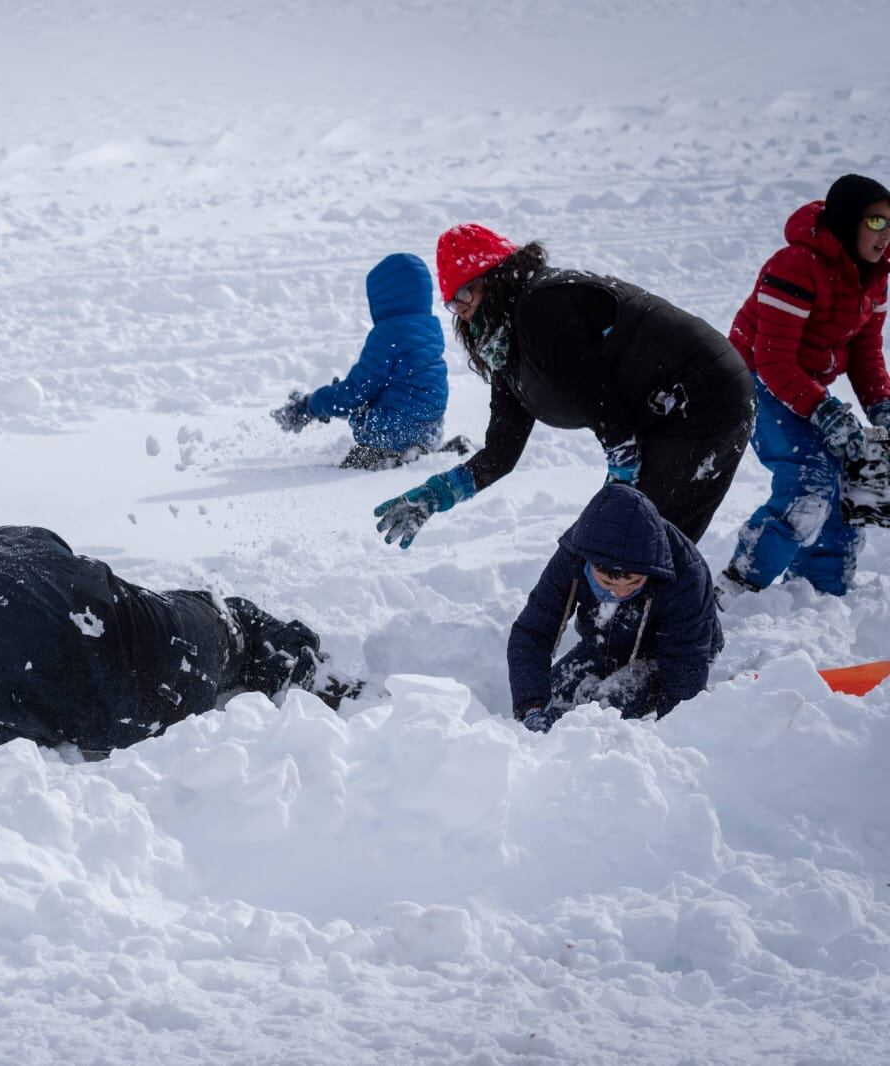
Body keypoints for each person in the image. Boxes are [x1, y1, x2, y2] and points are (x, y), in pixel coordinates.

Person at [0, 525, 360, 759]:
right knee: (236, 623)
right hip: (185, 624)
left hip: (162, 711)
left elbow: (14, 758)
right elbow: (49, 562)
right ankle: (316, 675)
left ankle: (338, 705)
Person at [374, 224, 755, 549]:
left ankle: (665, 628)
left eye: (465, 294)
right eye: (452, 303)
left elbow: (599, 394)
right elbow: (503, 449)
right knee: (614, 545)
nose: (462, 309)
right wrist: (440, 493)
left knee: (639, 546)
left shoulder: (540, 306)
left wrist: (623, 474)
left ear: (494, 277)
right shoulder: (505, 344)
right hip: (659, 413)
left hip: (702, 398)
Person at [719, 174, 890, 599]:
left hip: (800, 382)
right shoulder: (796, 265)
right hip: (751, 378)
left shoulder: (876, 276)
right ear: (849, 220)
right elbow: (773, 358)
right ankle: (739, 588)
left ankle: (822, 590)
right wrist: (824, 410)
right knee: (810, 476)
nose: (884, 234)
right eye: (874, 222)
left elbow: (866, 352)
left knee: (858, 463)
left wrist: (882, 405)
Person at [507, 484, 722, 732]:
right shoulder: (574, 554)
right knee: (553, 696)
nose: (619, 592)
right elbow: (532, 632)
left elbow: (685, 668)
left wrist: (671, 734)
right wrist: (532, 709)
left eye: (633, 583)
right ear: (590, 565)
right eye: (608, 584)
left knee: (604, 713)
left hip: (667, 654)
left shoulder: (686, 573)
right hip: (605, 641)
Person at [271, 253, 468, 469]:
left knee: (343, 471)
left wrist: (312, 406)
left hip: (389, 437)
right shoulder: (430, 329)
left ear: (383, 297)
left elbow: (356, 392)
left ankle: (398, 457)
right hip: (430, 431)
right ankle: (428, 452)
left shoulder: (389, 334)